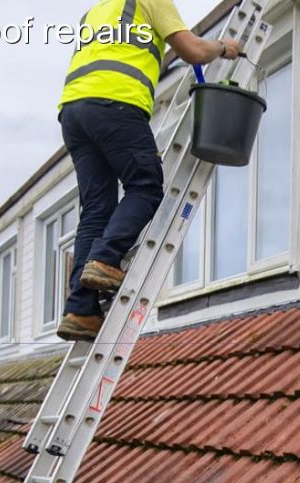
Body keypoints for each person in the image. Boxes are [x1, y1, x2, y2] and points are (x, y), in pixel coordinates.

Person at [56, 0, 241, 341]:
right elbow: (193, 51)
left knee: (96, 209)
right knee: (146, 186)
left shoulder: (96, 11)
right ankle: (106, 258)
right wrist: (223, 47)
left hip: (73, 112)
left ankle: (80, 310)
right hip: (117, 103)